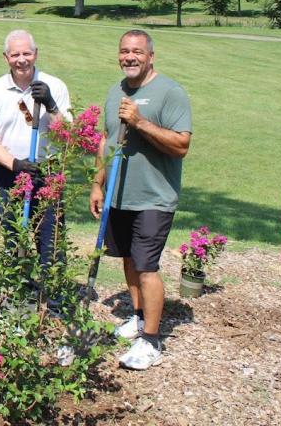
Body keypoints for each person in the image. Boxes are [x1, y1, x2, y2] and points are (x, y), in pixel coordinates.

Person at [89, 29, 192, 371]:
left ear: (151, 56)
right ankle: (136, 316)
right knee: (129, 260)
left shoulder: (170, 92)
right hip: (120, 195)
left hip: (154, 197)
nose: (129, 57)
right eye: (124, 51)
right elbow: (105, 140)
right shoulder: (114, 91)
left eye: (137, 51)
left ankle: (151, 339)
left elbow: (181, 145)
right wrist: (97, 184)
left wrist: (140, 122)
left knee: (147, 266)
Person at [0, 29, 70, 266]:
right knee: (13, 238)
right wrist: (15, 164)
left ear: (36, 54)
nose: (21, 59)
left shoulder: (55, 86)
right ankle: (20, 292)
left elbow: (68, 136)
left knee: (50, 238)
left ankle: (53, 297)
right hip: (9, 174)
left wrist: (51, 105)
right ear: (6, 57)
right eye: (15, 54)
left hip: (47, 173)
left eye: (27, 53)